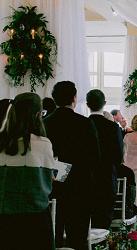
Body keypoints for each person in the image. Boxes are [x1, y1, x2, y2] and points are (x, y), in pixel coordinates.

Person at [44, 81, 101, 249]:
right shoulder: (84, 123)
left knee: (54, 234)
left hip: (53, 186)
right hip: (80, 186)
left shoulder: (46, 123)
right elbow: (95, 157)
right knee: (78, 237)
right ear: (74, 99)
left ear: (55, 99)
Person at [0, 93, 57, 250]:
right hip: (35, 216)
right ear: (38, 115)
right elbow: (47, 184)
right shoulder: (43, 144)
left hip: (4, 216)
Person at [86, 89, 123, 229]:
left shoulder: (82, 124)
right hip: (106, 176)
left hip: (86, 176)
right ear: (105, 103)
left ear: (88, 105)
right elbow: (118, 155)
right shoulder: (113, 127)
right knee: (104, 216)